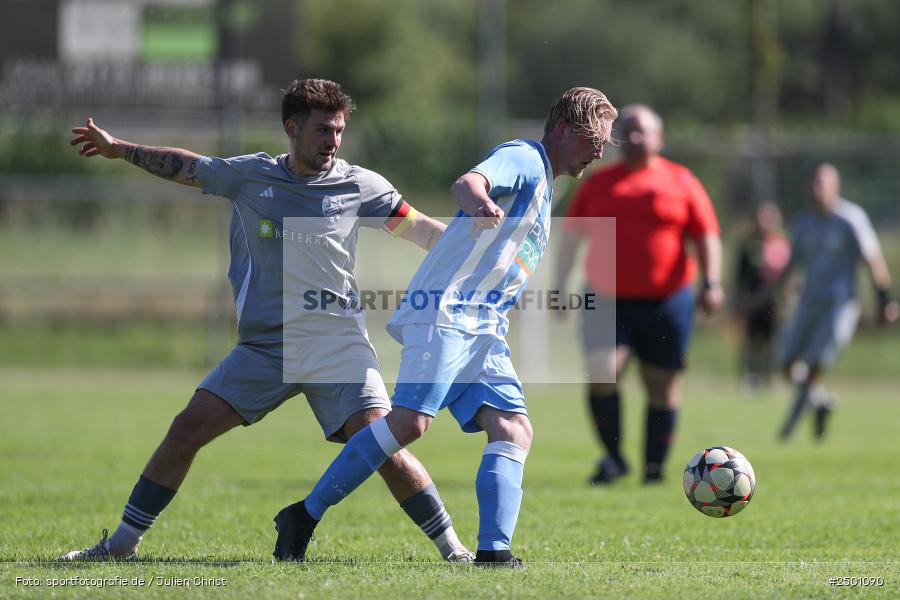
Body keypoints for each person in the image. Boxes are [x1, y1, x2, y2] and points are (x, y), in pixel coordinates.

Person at [59, 78, 475, 563]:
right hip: (265, 347)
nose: (332, 141)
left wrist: (474, 252)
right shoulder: (250, 176)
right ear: (291, 127)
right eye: (322, 130)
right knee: (185, 430)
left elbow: (419, 228)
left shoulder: (361, 184)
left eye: (339, 131)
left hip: (337, 344)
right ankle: (120, 546)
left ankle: (455, 550)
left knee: (380, 440)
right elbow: (186, 166)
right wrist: (119, 150)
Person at [269, 87, 618, 568]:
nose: (599, 151)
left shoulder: (545, 182)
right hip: (447, 312)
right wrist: (479, 202)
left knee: (514, 429)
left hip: (484, 328)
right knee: (410, 422)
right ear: (561, 130)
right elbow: (468, 182)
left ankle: (495, 552)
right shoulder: (522, 157)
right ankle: (302, 516)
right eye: (593, 139)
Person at [555, 104, 725, 485]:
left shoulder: (681, 181)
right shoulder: (598, 182)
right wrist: (559, 285)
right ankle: (613, 458)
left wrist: (711, 283)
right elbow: (570, 237)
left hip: (668, 299)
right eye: (626, 131)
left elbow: (706, 235)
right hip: (606, 298)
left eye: (641, 131)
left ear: (658, 139)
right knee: (603, 372)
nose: (633, 137)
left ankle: (654, 469)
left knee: (661, 384)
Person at [775, 163, 899, 440]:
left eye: (824, 183)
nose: (818, 189)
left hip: (840, 303)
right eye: (814, 182)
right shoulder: (803, 222)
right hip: (809, 301)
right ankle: (819, 403)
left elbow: (872, 258)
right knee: (786, 363)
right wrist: (777, 293)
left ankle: (789, 427)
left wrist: (884, 299)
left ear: (836, 187)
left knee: (816, 364)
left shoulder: (850, 218)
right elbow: (792, 266)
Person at [733, 201, 791, 391]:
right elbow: (739, 276)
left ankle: (770, 379)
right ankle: (751, 378)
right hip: (751, 304)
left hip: (774, 304)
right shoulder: (749, 244)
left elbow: (786, 276)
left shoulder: (781, 243)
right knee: (751, 343)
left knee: (773, 343)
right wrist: (740, 300)